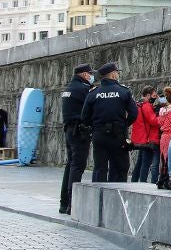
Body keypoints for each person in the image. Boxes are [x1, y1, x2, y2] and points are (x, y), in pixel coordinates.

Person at [80, 62, 138, 183]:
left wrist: (95, 126)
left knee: (99, 168)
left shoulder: (93, 93)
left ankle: (98, 198)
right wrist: (124, 125)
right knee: (120, 168)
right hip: (118, 135)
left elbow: (84, 117)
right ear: (112, 75)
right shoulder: (123, 91)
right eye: (117, 72)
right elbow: (133, 113)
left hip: (99, 135)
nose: (117, 75)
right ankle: (118, 198)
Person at [58, 63, 95, 214]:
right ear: (85, 75)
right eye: (90, 74)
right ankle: (72, 204)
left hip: (69, 130)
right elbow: (91, 109)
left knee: (70, 165)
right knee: (77, 166)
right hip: (79, 131)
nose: (92, 77)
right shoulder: (83, 89)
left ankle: (64, 202)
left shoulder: (68, 88)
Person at [130, 86, 160, 183]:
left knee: (140, 162)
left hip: (141, 137)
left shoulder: (138, 104)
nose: (155, 97)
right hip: (147, 137)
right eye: (154, 95)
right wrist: (161, 116)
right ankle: (143, 182)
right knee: (146, 163)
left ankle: (134, 180)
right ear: (148, 95)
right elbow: (153, 121)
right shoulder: (146, 106)